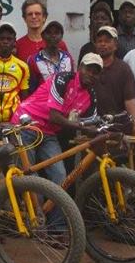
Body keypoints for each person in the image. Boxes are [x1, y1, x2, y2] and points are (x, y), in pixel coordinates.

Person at [10, 54, 103, 184]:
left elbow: (91, 126)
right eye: (88, 69)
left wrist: (110, 133)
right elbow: (54, 116)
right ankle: (30, 204)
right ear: (80, 67)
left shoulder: (91, 95)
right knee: (29, 175)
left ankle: (53, 204)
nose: (91, 74)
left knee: (60, 175)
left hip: (48, 132)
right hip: (26, 125)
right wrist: (81, 126)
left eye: (96, 72)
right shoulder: (63, 79)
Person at [92, 26, 135, 134]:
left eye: (107, 41)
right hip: (92, 127)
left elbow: (130, 100)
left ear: (115, 45)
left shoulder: (124, 69)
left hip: (118, 127)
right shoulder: (89, 68)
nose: (103, 44)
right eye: (99, 41)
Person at [15, 0, 69, 64]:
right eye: (30, 14)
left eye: (37, 13)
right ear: (24, 18)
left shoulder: (59, 43)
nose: (34, 17)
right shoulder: (18, 45)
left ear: (44, 17)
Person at [29, 19, 74, 90]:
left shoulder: (67, 57)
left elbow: (72, 83)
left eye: (56, 33)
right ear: (43, 36)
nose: (53, 36)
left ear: (61, 36)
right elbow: (31, 89)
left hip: (65, 100)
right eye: (49, 33)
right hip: (43, 100)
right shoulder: (33, 60)